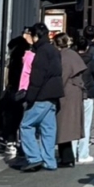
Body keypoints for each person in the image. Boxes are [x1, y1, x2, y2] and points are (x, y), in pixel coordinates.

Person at [14, 23, 64, 171]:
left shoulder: (41, 52)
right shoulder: (54, 50)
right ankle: (49, 161)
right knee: (48, 128)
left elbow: (37, 78)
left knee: (26, 125)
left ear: (36, 36)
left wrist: (29, 97)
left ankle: (34, 157)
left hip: (41, 96)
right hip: (54, 95)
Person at [53, 33, 89, 165]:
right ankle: (67, 156)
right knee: (67, 126)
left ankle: (67, 158)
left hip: (67, 93)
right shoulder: (72, 54)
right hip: (74, 92)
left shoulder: (63, 56)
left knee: (63, 125)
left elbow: (62, 76)